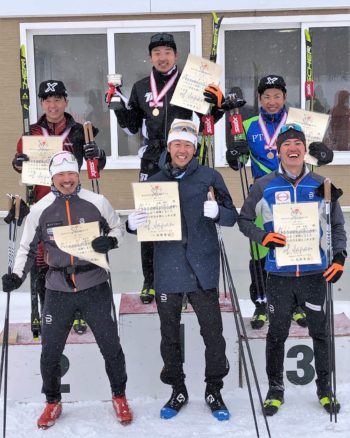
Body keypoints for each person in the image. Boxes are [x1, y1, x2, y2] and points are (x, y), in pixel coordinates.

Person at [2, 151, 132, 428]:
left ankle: (119, 395)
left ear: (78, 174)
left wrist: (109, 241)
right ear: (52, 178)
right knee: (50, 351)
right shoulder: (40, 208)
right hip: (57, 288)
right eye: (60, 175)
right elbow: (26, 247)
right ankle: (52, 402)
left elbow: (118, 228)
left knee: (111, 347)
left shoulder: (97, 202)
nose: (67, 179)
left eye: (71, 173)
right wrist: (16, 276)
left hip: (94, 283)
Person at [127, 119, 238, 421]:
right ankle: (177, 388)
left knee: (213, 334)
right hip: (168, 268)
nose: (182, 150)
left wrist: (219, 214)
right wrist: (131, 225)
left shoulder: (210, 177)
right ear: (169, 147)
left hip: (202, 266)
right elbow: (143, 229)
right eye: (177, 144)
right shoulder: (154, 181)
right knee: (169, 335)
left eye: (188, 145)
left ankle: (214, 388)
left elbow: (232, 216)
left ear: (195, 148)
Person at [238, 123, 347, 416]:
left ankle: (325, 389)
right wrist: (264, 237)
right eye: (286, 144)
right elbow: (244, 220)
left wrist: (339, 257)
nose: (293, 148)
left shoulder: (322, 184)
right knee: (277, 334)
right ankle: (275, 389)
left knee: (320, 334)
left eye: (298, 143)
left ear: (304, 149)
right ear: (278, 151)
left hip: (314, 274)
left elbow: (337, 225)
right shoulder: (263, 186)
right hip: (279, 275)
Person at [111, 32, 224, 304]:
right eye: (157, 53)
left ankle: (187, 278)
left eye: (167, 52)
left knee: (187, 217)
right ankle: (151, 280)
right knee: (150, 219)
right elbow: (131, 127)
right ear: (150, 57)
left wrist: (217, 102)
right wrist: (117, 107)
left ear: (175, 55)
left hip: (182, 154)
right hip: (152, 157)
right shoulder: (140, 87)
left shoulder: (190, 82)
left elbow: (208, 121)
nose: (162, 57)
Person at [226, 74, 334, 329]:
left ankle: (297, 305)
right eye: (266, 96)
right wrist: (234, 153)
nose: (272, 101)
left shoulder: (299, 124)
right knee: (262, 252)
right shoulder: (249, 123)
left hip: (297, 195)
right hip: (264, 197)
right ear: (260, 99)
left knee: (297, 248)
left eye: (277, 96)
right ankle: (262, 303)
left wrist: (323, 153)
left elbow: (316, 155)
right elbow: (237, 163)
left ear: (285, 97)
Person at [12, 79, 107, 335]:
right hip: (43, 207)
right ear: (42, 103)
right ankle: (49, 312)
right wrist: (18, 162)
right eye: (47, 101)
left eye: (57, 100)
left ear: (66, 101)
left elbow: (96, 163)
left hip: (74, 204)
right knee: (45, 261)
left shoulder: (79, 131)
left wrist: (97, 154)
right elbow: (21, 164)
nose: (52, 105)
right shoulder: (31, 132)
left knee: (76, 255)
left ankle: (79, 313)